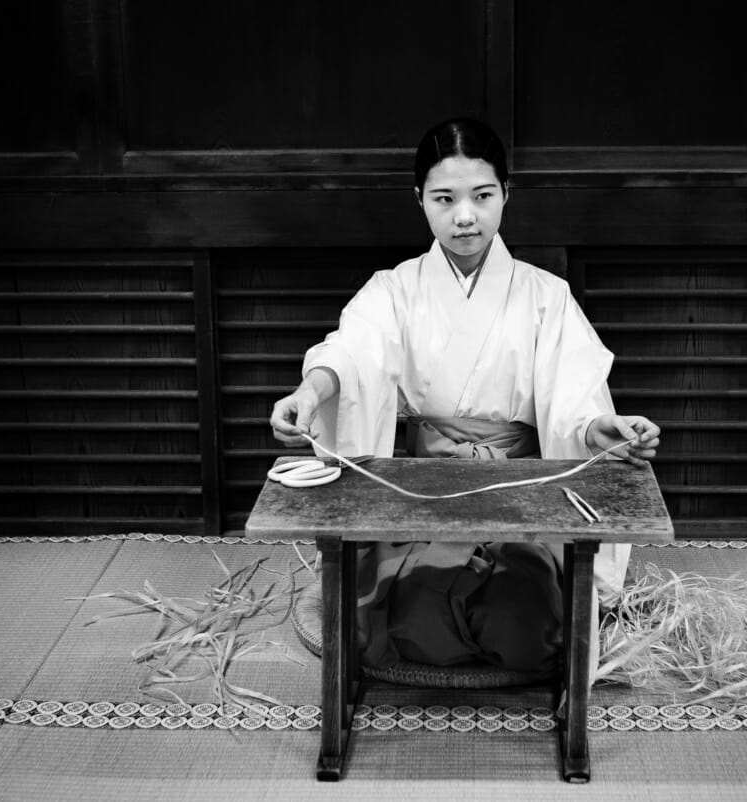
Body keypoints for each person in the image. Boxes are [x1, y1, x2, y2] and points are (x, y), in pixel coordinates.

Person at [270, 118, 660, 674]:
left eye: (482, 196)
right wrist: (310, 392)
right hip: (419, 492)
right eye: (444, 198)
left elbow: (576, 398)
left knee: (524, 621)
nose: (465, 216)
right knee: (398, 614)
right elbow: (351, 353)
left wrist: (602, 430)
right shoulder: (395, 289)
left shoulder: (547, 296)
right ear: (420, 201)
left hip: (523, 493)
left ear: (506, 195)